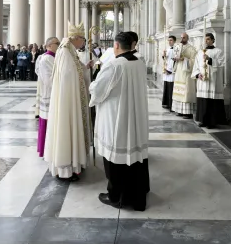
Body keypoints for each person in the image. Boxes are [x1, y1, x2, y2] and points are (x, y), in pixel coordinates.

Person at [90, 32, 150, 211]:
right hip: (136, 117)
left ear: (116, 45)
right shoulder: (139, 63)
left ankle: (116, 196)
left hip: (117, 117)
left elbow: (98, 90)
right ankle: (138, 195)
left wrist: (92, 83)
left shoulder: (114, 65)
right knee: (135, 157)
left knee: (116, 155)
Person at [45, 22, 94, 181]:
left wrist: (85, 67)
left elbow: (76, 69)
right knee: (67, 129)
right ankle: (66, 169)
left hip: (73, 96)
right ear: (77, 38)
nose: (84, 43)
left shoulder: (70, 50)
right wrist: (82, 75)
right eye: (83, 40)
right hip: (68, 99)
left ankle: (75, 165)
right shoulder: (65, 51)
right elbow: (67, 76)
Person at [192, 33, 226, 129]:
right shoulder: (199, 52)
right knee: (203, 101)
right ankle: (203, 120)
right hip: (202, 81)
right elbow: (196, 65)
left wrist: (209, 59)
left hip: (213, 82)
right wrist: (198, 74)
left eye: (208, 39)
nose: (206, 41)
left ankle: (212, 122)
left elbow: (221, 63)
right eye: (205, 39)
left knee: (212, 102)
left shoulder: (218, 51)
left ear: (213, 40)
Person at [35, 37, 59, 157]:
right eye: (57, 43)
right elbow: (48, 80)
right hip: (49, 94)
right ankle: (45, 150)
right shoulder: (46, 59)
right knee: (47, 121)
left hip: (54, 93)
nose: (59, 45)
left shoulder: (54, 57)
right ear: (49, 45)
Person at [171, 32, 197, 118]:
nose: (182, 39)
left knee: (186, 92)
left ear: (187, 38)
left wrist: (184, 59)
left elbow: (194, 61)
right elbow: (175, 56)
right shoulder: (178, 47)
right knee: (179, 92)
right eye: (181, 38)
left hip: (186, 72)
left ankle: (188, 113)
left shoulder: (191, 49)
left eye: (184, 38)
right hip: (179, 71)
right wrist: (175, 59)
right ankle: (179, 110)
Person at [162, 35, 177, 110]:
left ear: (174, 41)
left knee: (171, 87)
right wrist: (163, 55)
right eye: (168, 40)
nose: (169, 42)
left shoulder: (176, 49)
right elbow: (165, 59)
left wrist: (170, 70)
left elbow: (174, 60)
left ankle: (171, 104)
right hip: (167, 68)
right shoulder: (167, 49)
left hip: (172, 70)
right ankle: (166, 103)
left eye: (171, 40)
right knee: (166, 86)